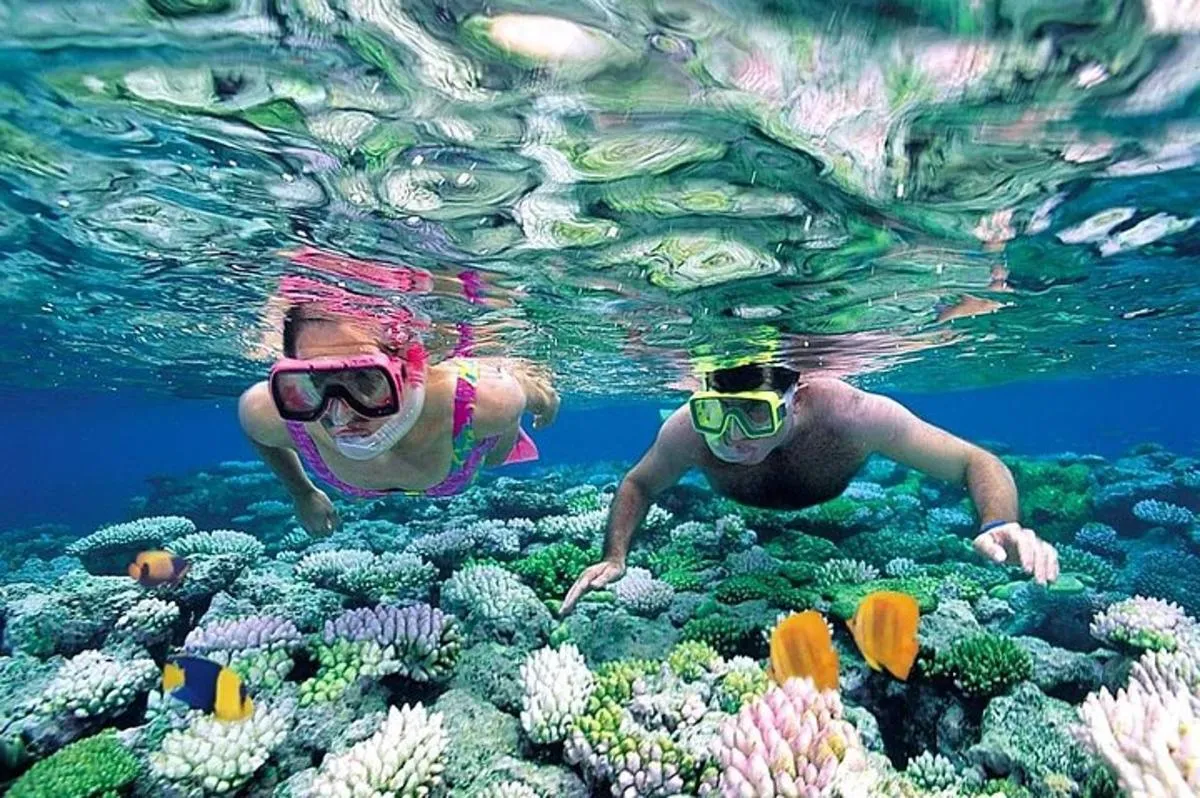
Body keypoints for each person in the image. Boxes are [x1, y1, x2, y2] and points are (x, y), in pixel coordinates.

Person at [560, 362, 1059, 615]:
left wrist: (999, 522)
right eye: (716, 413)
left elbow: (977, 460)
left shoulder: (853, 415)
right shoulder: (688, 431)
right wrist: (615, 555)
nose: (733, 435)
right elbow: (639, 482)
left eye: (756, 412)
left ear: (794, 402)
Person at [238, 304, 559, 534]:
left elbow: (535, 395)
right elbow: (256, 435)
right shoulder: (271, 410)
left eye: (365, 378)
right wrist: (302, 492)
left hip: (469, 437)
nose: (341, 413)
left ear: (408, 371)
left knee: (496, 450)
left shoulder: (486, 403)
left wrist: (544, 400)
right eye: (312, 381)